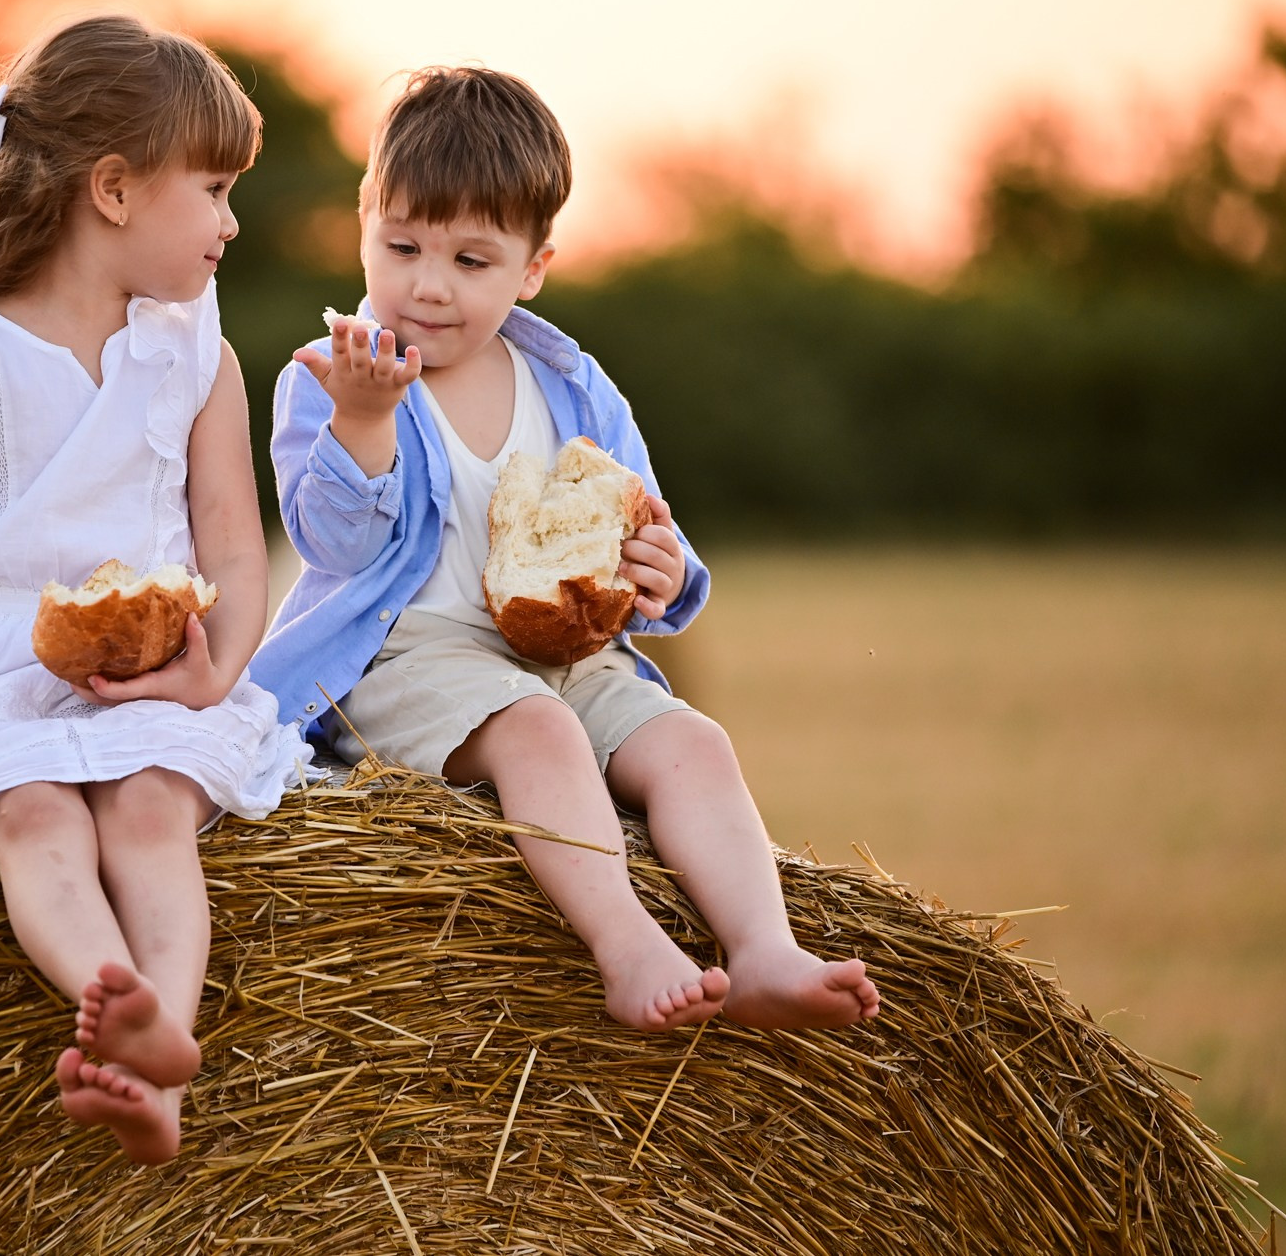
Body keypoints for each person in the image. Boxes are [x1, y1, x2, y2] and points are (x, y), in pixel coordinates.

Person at [252, 68, 880, 1035]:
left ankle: (763, 948)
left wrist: (666, 572)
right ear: (364, 221)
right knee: (538, 732)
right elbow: (334, 543)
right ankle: (626, 946)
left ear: (532, 268)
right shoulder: (336, 376)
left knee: (692, 741)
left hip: (569, 658)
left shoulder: (573, 387)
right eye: (403, 245)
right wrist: (363, 422)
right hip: (406, 661)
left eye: (472, 260)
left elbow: (643, 522)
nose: (428, 284)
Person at [0, 15, 309, 1164]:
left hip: (157, 670)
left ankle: (161, 1050)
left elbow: (237, 554)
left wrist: (211, 674)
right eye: (214, 189)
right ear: (115, 190)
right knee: (33, 813)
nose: (230, 222)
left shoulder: (195, 358)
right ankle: (108, 992)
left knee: (148, 810)